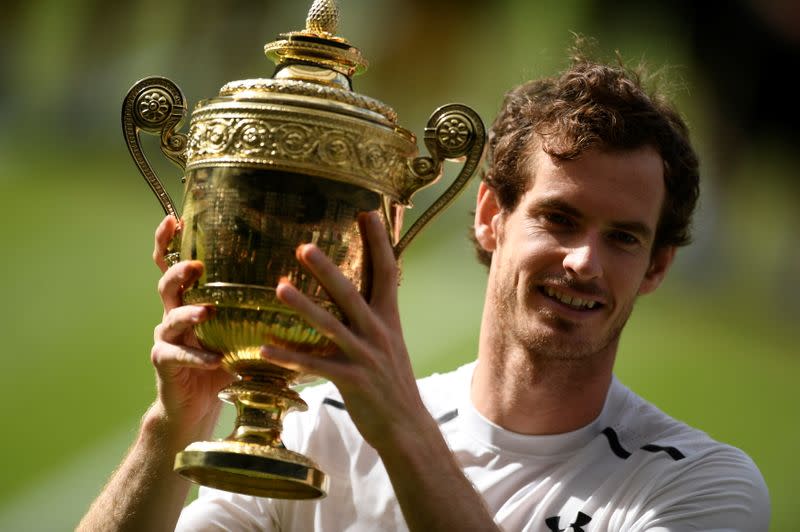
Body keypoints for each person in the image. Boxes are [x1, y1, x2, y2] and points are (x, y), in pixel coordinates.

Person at [78, 41, 770, 531]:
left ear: (657, 267)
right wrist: (173, 427)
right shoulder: (320, 433)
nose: (585, 262)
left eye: (623, 237)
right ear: (492, 216)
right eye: (559, 219)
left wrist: (401, 427)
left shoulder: (696, 487)